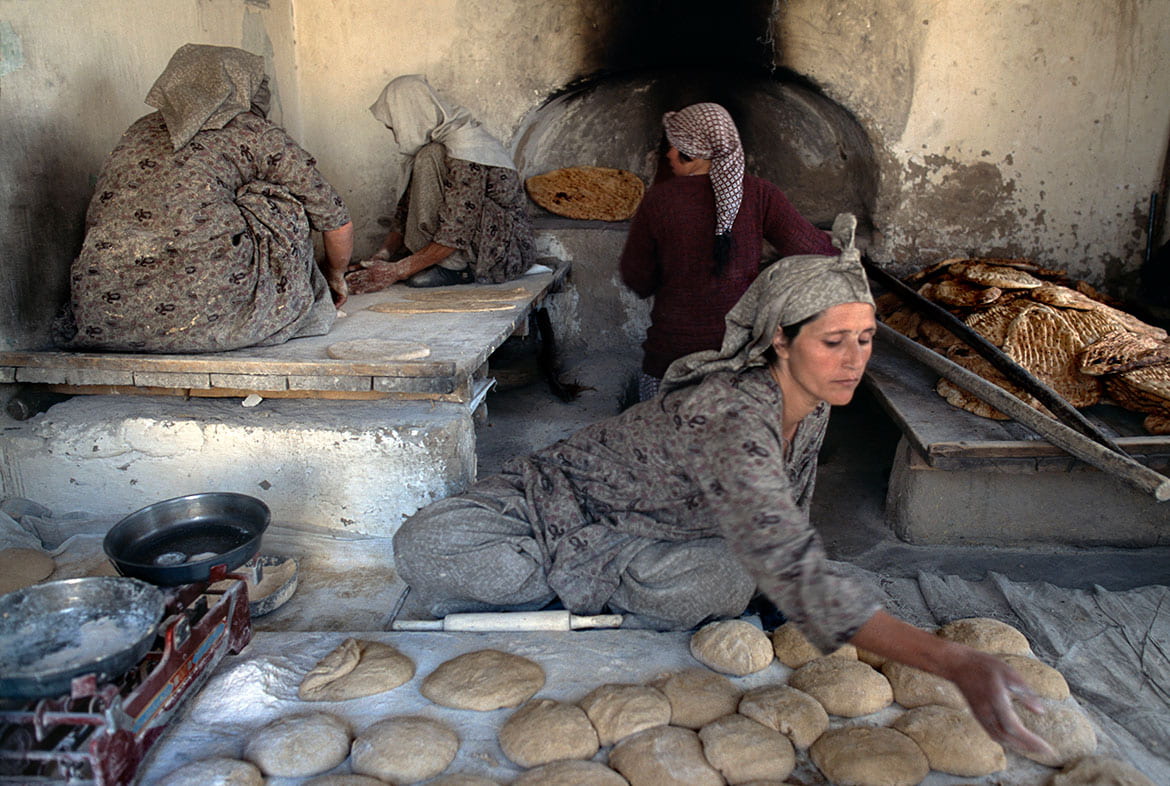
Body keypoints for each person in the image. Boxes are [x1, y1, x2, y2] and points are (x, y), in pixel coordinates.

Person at [394, 215, 1054, 756]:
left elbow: (789, 508)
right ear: (779, 340)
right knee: (424, 547)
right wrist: (953, 661)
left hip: (658, 532)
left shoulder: (814, 399)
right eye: (833, 342)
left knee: (726, 581)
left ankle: (608, 569)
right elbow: (792, 560)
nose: (853, 360)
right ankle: (580, 570)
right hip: (549, 501)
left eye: (864, 339)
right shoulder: (730, 417)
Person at [59, 44, 353, 353]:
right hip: (207, 313)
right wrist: (334, 276)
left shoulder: (139, 130)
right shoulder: (252, 130)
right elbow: (335, 218)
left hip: (105, 312)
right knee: (275, 200)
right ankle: (264, 308)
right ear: (242, 87)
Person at [620, 102, 838, 401]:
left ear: (695, 151)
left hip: (669, 364)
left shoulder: (658, 200)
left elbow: (637, 278)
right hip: (740, 364)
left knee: (665, 437)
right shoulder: (761, 194)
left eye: (674, 146)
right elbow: (815, 253)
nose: (669, 154)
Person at [346, 75, 534, 291]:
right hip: (475, 243)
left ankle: (454, 268)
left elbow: (459, 224)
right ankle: (443, 263)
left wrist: (399, 271)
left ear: (411, 116)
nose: (396, 137)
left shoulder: (465, 146)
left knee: (429, 156)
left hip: (505, 252)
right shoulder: (437, 146)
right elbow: (406, 212)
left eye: (394, 127)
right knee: (426, 157)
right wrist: (383, 256)